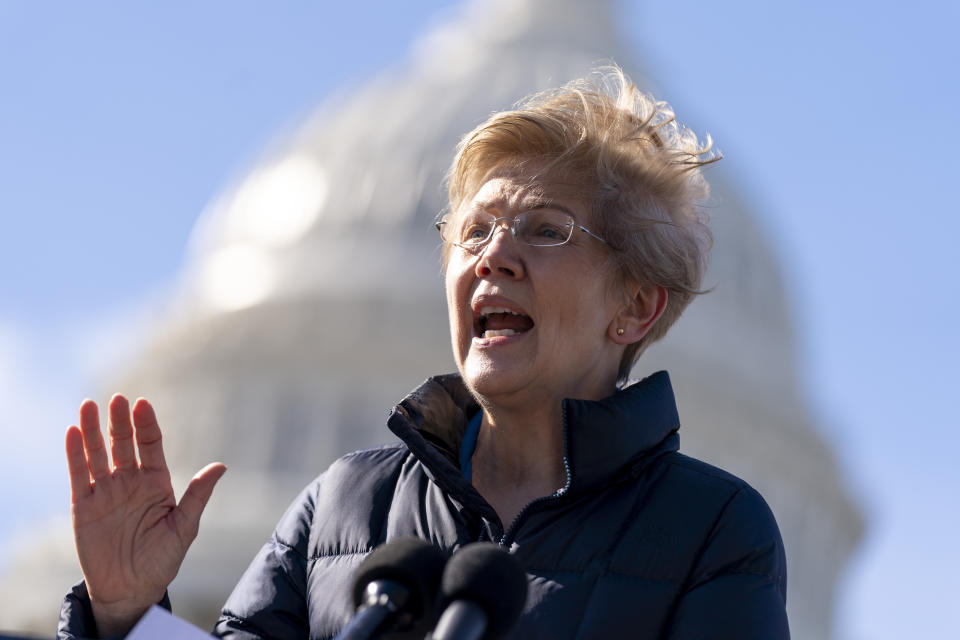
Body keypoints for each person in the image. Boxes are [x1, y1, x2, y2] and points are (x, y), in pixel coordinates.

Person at [58, 66, 789, 639]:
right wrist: (125, 616)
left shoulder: (713, 531)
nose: (493, 257)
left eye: (545, 230)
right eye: (474, 232)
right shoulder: (343, 506)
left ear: (635, 307)